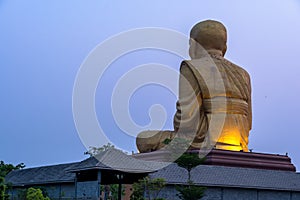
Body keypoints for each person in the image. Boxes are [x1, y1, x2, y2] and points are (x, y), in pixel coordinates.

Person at [136, 20, 252, 153]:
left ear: (194, 45)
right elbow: (248, 122)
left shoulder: (192, 67)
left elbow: (187, 120)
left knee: (144, 139)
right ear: (224, 47)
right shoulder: (244, 74)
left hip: (201, 141)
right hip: (240, 143)